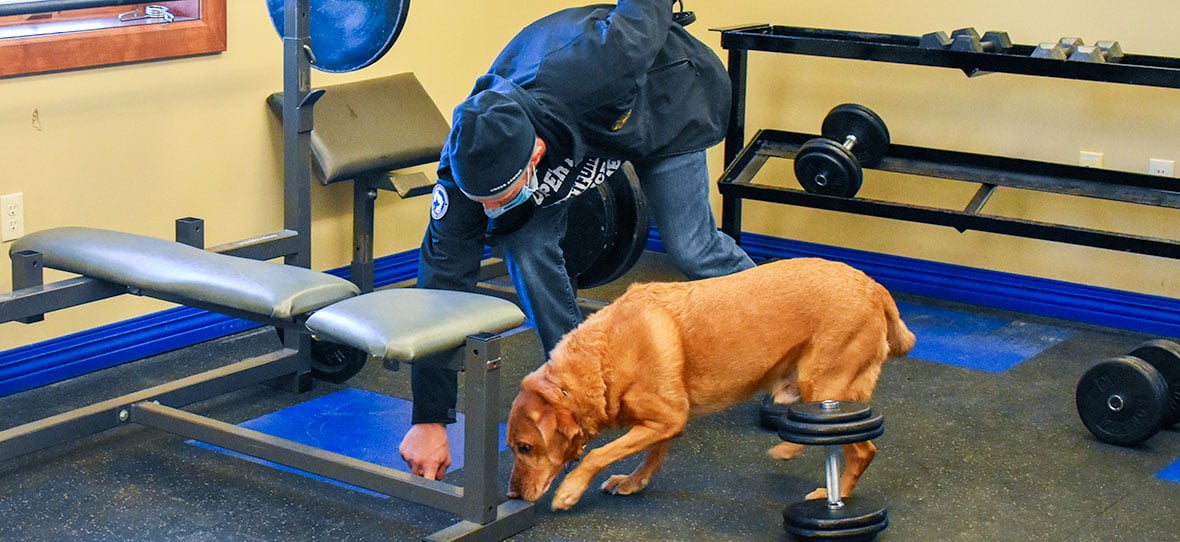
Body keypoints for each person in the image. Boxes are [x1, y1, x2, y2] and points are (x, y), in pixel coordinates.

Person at [400, 0, 755, 480]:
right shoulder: (468, 163)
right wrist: (429, 417)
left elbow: (642, 15)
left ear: (535, 157)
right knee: (524, 245)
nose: (486, 213)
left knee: (695, 248)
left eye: (498, 196)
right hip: (584, 134)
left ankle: (788, 342)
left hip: (665, 103)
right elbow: (442, 286)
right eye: (480, 200)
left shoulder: (596, 66)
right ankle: (578, 384)